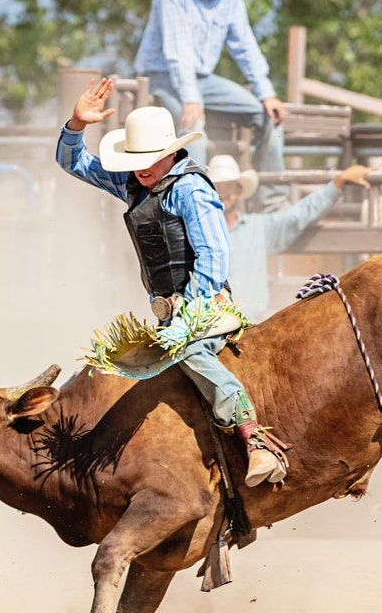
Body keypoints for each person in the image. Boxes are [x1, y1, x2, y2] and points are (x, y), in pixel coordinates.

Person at [58, 77, 288, 486]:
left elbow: (214, 257)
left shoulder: (191, 189)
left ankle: (256, 439)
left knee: (191, 353)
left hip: (207, 306)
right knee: (118, 367)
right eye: (136, 157)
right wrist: (76, 125)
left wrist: (187, 318)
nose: (142, 166)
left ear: (170, 152)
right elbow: (75, 163)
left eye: (150, 156)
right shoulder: (133, 180)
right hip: (171, 315)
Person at [134, 0, 287, 209]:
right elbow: (177, 52)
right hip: (164, 75)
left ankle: (273, 204)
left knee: (268, 116)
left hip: (203, 78)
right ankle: (194, 206)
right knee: (194, 130)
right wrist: (191, 99)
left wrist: (266, 92)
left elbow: (244, 44)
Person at [209, 154, 372, 321]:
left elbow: (297, 216)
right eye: (217, 187)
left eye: (228, 187)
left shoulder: (258, 227)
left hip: (251, 327)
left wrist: (337, 183)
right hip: (212, 326)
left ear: (238, 190)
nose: (223, 193)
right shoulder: (200, 231)